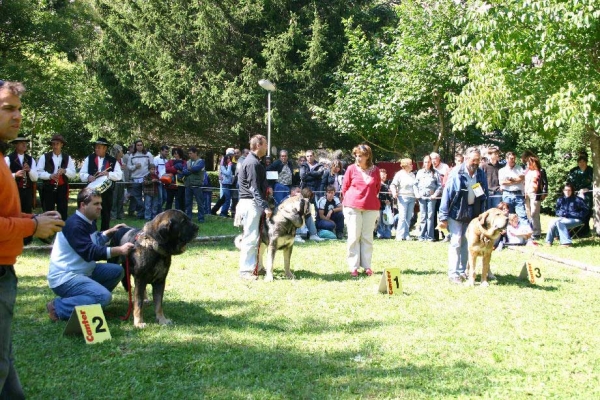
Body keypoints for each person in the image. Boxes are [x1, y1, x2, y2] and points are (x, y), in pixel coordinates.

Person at [0, 79, 65, 399]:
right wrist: (31, 226)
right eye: (8, 109)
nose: (17, 116)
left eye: (19, 109)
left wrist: (34, 219)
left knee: (5, 362)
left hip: (5, 272)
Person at [46, 188, 135, 321]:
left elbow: (94, 241)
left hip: (84, 272)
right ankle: (58, 307)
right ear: (83, 205)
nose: (100, 207)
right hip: (65, 278)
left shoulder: (88, 220)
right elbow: (90, 252)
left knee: (117, 271)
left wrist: (110, 232)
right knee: (104, 297)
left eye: (100, 203)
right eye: (96, 204)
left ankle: (91, 305)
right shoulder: (74, 225)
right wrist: (120, 250)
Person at [438, 147, 488, 284]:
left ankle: (463, 271)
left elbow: (484, 196)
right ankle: (453, 274)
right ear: (466, 159)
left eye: (478, 160)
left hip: (473, 214)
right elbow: (446, 195)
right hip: (456, 213)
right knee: (456, 242)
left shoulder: (480, 174)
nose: (476, 162)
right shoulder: (456, 173)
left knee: (467, 243)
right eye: (474, 160)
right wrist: (443, 217)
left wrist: (483, 216)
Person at [342, 144, 381, 277]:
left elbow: (377, 187)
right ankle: (353, 267)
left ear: (368, 156)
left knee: (367, 237)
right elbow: (345, 187)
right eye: (356, 155)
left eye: (361, 156)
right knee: (353, 236)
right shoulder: (351, 169)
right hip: (352, 206)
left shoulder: (375, 170)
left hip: (371, 207)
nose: (358, 158)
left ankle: (367, 266)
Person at [236, 134, 272, 281]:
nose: (267, 147)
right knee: (250, 237)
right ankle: (245, 270)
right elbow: (253, 188)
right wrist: (265, 206)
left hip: (253, 202)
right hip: (251, 203)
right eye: (265, 144)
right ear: (258, 145)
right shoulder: (252, 163)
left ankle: (257, 266)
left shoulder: (256, 162)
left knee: (256, 236)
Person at [79, 138, 123, 230]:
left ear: (105, 148)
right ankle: (92, 233)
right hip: (93, 191)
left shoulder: (112, 160)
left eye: (99, 147)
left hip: (107, 191)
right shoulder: (89, 158)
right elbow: (82, 173)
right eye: (96, 147)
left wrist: (108, 174)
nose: (96, 149)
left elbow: (119, 175)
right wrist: (88, 177)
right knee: (92, 213)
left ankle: (105, 234)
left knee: (106, 214)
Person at [5, 136, 38, 244]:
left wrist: (29, 171)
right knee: (15, 213)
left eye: (25, 143)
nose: (24, 145)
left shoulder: (30, 159)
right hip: (14, 191)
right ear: (16, 145)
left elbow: (35, 177)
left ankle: (27, 239)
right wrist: (15, 175)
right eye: (21, 143)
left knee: (27, 213)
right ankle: (14, 238)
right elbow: (3, 176)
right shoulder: (8, 158)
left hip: (27, 191)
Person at [36, 134, 77, 220]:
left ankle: (61, 231)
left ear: (62, 144)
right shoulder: (44, 157)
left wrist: (65, 171)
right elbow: (38, 172)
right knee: (48, 210)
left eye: (57, 144)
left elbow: (73, 173)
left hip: (62, 188)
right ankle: (48, 230)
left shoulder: (67, 158)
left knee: (62, 210)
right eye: (53, 144)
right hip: (48, 187)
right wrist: (50, 176)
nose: (55, 146)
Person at [545, 183, 589, 247]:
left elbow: (586, 211)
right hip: (563, 218)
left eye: (569, 190)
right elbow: (557, 211)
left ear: (572, 191)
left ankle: (566, 243)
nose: (567, 192)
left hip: (576, 219)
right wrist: (562, 213)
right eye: (566, 190)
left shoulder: (578, 200)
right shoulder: (560, 199)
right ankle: (548, 242)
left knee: (560, 223)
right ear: (563, 191)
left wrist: (575, 215)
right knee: (552, 222)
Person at [415, 155, 442, 242]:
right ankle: (422, 236)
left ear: (431, 163)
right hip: (422, 197)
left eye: (429, 162)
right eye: (425, 162)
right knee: (423, 216)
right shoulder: (419, 172)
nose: (427, 164)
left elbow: (439, 186)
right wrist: (417, 194)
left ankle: (430, 236)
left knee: (430, 216)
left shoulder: (435, 173)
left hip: (431, 198)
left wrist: (435, 194)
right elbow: (415, 185)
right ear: (423, 162)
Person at [390, 158, 417, 241]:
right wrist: (394, 192)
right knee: (402, 216)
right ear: (405, 165)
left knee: (409, 217)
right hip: (402, 198)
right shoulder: (399, 174)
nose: (412, 165)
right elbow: (393, 185)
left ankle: (406, 234)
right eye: (410, 164)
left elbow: (415, 186)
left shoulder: (412, 175)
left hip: (412, 198)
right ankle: (399, 235)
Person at [567, 154, 593, 235]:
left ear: (586, 162)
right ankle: (574, 231)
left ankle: (585, 231)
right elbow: (569, 183)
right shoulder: (573, 171)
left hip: (588, 195)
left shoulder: (591, 170)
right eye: (580, 162)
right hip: (576, 195)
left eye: (583, 161)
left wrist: (588, 188)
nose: (582, 163)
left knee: (587, 211)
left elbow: (595, 182)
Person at [499, 151, 527, 225]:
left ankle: (524, 232)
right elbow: (502, 182)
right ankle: (508, 233)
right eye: (511, 158)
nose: (513, 160)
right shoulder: (502, 170)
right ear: (507, 159)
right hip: (507, 193)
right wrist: (516, 180)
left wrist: (511, 179)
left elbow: (521, 179)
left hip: (518, 194)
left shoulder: (520, 168)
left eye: (514, 158)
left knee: (522, 215)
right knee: (507, 214)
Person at [127, 139, 153, 219]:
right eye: (138, 145)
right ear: (135, 146)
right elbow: (129, 167)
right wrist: (135, 166)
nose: (139, 146)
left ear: (143, 146)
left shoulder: (148, 154)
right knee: (137, 197)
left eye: (141, 145)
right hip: (135, 179)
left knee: (147, 198)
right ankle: (140, 213)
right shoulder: (132, 155)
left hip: (146, 179)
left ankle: (146, 214)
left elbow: (152, 166)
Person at [430, 152, 450, 241]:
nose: (433, 161)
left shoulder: (445, 167)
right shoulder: (430, 168)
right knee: (433, 215)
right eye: (432, 159)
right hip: (432, 196)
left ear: (439, 159)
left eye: (435, 159)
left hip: (443, 196)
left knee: (443, 216)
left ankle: (446, 235)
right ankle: (434, 235)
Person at [183, 146, 206, 223]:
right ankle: (188, 218)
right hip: (188, 184)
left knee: (200, 202)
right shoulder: (188, 162)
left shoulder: (201, 161)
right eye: (189, 153)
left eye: (191, 153)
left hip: (197, 184)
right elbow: (184, 172)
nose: (189, 155)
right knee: (188, 202)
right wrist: (191, 170)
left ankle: (201, 218)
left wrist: (189, 170)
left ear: (195, 153)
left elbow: (197, 169)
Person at [524, 154, 543, 239]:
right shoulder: (527, 171)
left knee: (534, 213)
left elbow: (542, 184)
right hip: (526, 194)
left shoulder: (539, 171)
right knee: (528, 212)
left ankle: (537, 232)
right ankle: (530, 230)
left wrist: (543, 193)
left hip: (535, 194)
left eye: (529, 162)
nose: (527, 164)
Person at [110, 144, 125, 220]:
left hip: (121, 181)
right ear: (118, 152)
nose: (122, 152)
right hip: (114, 181)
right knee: (114, 198)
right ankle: (113, 215)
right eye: (121, 151)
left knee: (121, 198)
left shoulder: (121, 160)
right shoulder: (112, 160)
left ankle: (120, 214)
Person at [376, 168, 393, 239]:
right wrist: (383, 201)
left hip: (387, 206)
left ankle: (387, 234)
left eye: (385, 175)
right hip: (380, 206)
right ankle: (380, 234)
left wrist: (389, 201)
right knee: (380, 221)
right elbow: (377, 196)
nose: (384, 176)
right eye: (382, 175)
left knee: (387, 220)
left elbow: (390, 196)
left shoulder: (387, 185)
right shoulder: (377, 185)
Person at [154, 145, 170, 212]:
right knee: (159, 198)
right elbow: (155, 170)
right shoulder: (156, 159)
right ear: (161, 151)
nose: (166, 153)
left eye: (167, 152)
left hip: (165, 181)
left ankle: (158, 210)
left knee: (165, 197)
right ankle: (158, 212)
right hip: (159, 181)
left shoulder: (166, 160)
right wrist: (158, 178)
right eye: (165, 151)